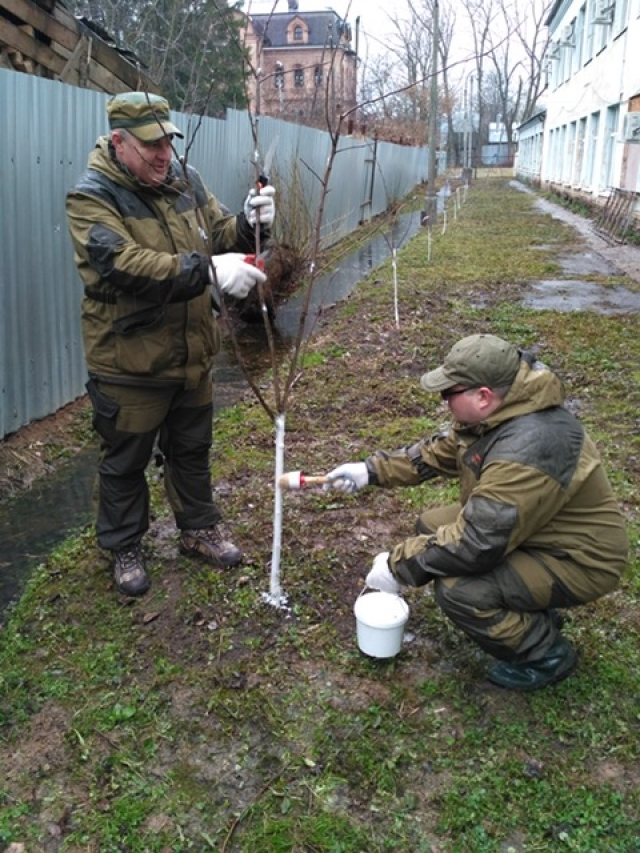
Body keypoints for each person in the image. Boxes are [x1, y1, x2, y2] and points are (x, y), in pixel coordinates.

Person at [325, 334, 628, 691]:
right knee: (432, 525)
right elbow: (440, 452)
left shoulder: (529, 448)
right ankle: (529, 607)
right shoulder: (504, 413)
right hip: (536, 530)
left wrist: (395, 566)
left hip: (579, 557)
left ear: (483, 396)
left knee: (459, 588)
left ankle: (545, 653)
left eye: (448, 394)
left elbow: (475, 542)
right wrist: (370, 471)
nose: (444, 403)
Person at [66, 92, 276, 597]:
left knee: (192, 448)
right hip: (130, 358)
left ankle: (199, 529)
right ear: (119, 142)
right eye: (151, 145)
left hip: (191, 351)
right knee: (126, 458)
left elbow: (219, 232)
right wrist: (206, 271)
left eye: (168, 141)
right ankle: (124, 546)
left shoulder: (184, 178)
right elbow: (123, 264)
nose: (164, 154)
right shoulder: (92, 197)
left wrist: (251, 223)